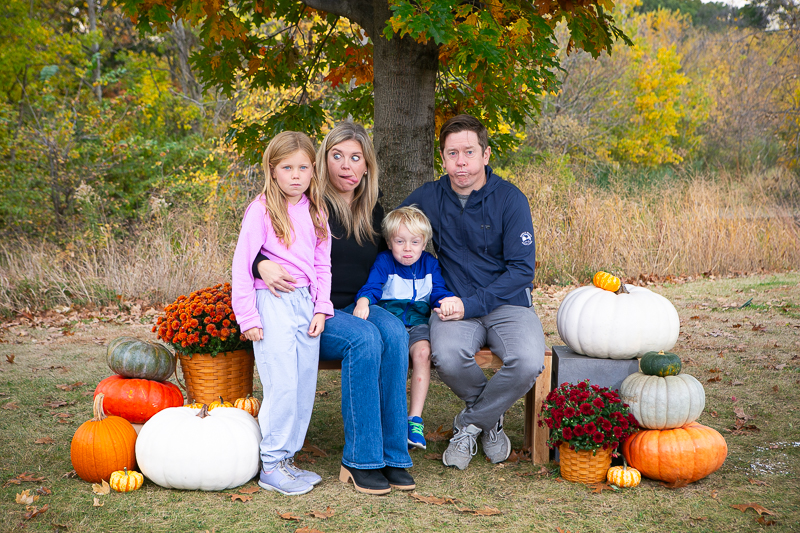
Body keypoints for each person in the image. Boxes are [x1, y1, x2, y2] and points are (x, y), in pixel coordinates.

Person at [253, 122, 414, 495]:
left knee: (393, 332)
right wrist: (260, 265)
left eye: (355, 158)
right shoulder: (306, 204)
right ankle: (361, 460)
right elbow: (259, 247)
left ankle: (393, 454)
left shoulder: (372, 210)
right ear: (322, 162)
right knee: (364, 339)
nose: (346, 165)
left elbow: (397, 258)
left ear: (367, 166)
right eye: (337, 156)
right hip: (310, 311)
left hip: (356, 305)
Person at [400, 114, 547, 470]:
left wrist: (472, 304)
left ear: (486, 154)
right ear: (443, 158)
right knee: (448, 357)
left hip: (508, 304)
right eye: (452, 153)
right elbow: (392, 232)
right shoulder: (429, 197)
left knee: (528, 361)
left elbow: (522, 270)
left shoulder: (511, 200)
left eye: (469, 152)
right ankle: (491, 418)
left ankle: (469, 424)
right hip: (452, 304)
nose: (461, 162)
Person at [231, 131, 332, 495]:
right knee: (283, 384)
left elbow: (323, 265)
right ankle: (271, 463)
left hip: (306, 305)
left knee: (303, 385)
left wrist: (321, 308)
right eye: (287, 167)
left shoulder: (317, 210)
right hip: (272, 302)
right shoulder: (261, 210)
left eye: (303, 167)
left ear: (313, 169)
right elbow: (242, 265)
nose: (295, 175)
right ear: (272, 170)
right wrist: (248, 317)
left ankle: (288, 458)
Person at [353, 205, 457, 450]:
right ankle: (391, 419)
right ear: (390, 242)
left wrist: (445, 301)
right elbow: (372, 286)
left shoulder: (430, 265)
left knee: (423, 353)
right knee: (393, 356)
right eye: (400, 241)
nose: (407, 248)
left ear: (424, 243)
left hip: (418, 324)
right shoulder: (384, 262)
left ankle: (414, 421)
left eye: (414, 242)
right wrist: (363, 301)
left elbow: (438, 291)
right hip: (390, 326)